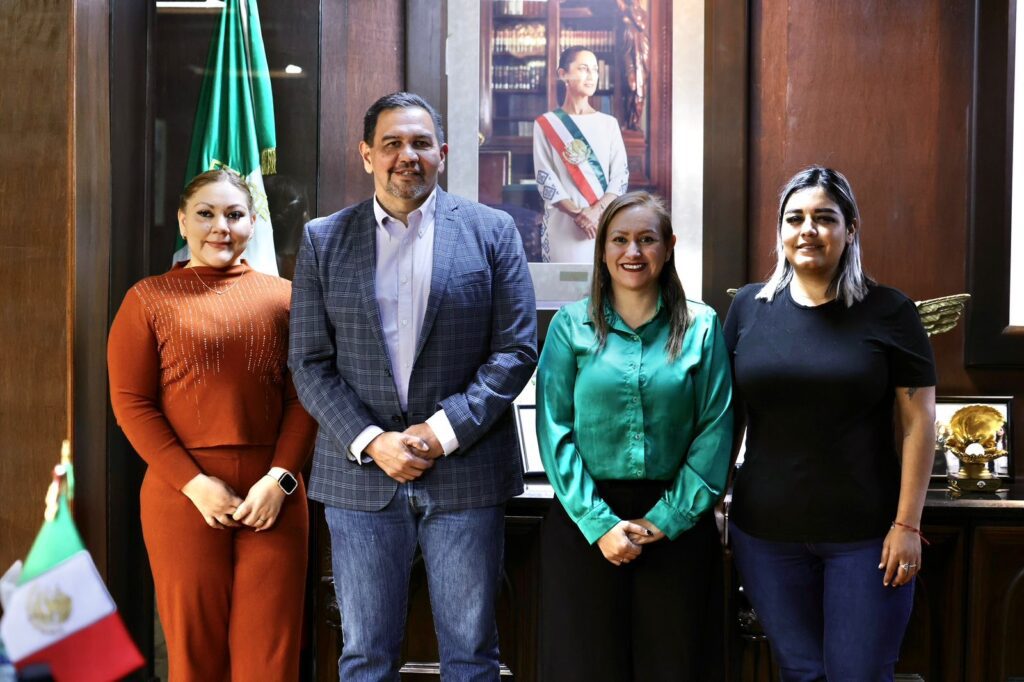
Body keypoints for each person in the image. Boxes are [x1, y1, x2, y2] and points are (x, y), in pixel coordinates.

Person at [288, 92, 537, 681]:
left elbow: (517, 349)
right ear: (367, 155)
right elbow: (309, 362)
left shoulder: (492, 231)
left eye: (421, 143)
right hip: (360, 478)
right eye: (392, 143)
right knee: (365, 657)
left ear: (442, 153)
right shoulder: (324, 240)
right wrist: (374, 441)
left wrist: (442, 431)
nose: (408, 156)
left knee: (472, 655)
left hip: (466, 472)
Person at [723, 166, 936, 681]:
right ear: (780, 230)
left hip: (866, 537)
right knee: (801, 672)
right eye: (795, 218)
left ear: (850, 228)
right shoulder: (748, 308)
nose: (808, 230)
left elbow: (919, 422)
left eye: (824, 217)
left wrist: (908, 525)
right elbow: (728, 417)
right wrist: (715, 499)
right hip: (765, 535)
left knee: (859, 674)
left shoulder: (890, 310)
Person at [108, 169, 317, 681]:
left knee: (271, 658)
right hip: (183, 495)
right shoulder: (148, 299)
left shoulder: (287, 298)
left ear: (253, 224)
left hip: (274, 494)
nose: (221, 226)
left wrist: (280, 480)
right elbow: (132, 403)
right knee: (194, 656)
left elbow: (306, 398)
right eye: (206, 214)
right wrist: (194, 485)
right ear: (183, 222)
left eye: (234, 214)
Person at [536, 191, 733, 681]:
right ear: (602, 249)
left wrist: (667, 518)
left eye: (647, 239)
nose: (633, 252)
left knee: (677, 668)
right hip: (585, 526)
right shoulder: (569, 326)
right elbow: (554, 430)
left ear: (668, 247)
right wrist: (600, 524)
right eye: (620, 240)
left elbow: (715, 429)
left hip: (678, 529)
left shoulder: (702, 325)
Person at [533, 46, 629, 263]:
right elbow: (545, 177)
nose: (591, 76)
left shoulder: (609, 124)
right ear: (563, 74)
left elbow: (620, 176)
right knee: (563, 283)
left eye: (595, 70)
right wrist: (577, 214)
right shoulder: (546, 123)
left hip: (603, 223)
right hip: (563, 225)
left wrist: (595, 212)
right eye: (584, 69)